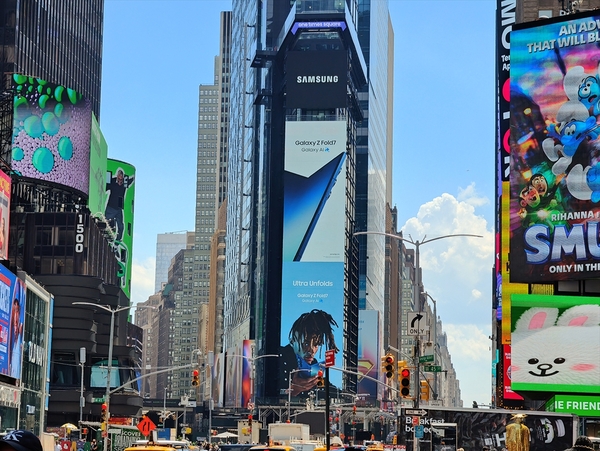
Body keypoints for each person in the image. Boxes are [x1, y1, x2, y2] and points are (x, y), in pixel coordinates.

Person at [279, 309, 339, 396]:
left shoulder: (314, 365)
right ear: (292, 342)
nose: (312, 350)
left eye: (316, 344)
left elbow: (322, 387)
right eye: (306, 344)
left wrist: (343, 395)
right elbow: (266, 394)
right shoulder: (277, 357)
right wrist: (292, 390)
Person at [105, 168, 134, 241]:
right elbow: (105, 187)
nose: (120, 178)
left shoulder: (125, 182)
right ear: (117, 176)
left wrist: (134, 177)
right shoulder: (112, 181)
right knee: (106, 222)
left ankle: (118, 240)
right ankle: (106, 236)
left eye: (122, 176)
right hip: (111, 206)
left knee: (120, 226)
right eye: (119, 176)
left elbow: (130, 180)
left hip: (119, 208)